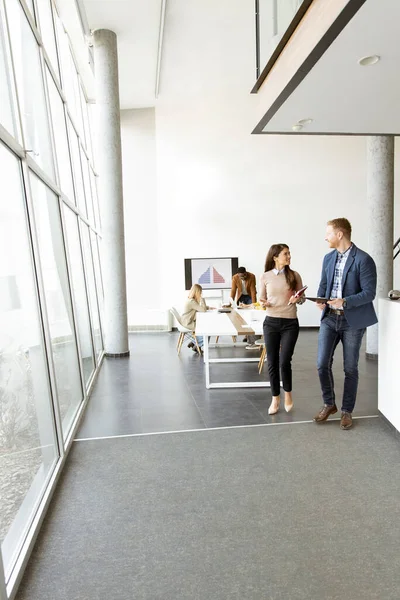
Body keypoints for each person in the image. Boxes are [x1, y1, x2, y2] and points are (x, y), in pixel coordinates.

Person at [314, 218, 377, 430]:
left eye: (328, 233)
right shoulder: (328, 258)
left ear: (339, 234)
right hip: (330, 318)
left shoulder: (364, 259)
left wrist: (346, 301)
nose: (325, 237)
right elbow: (324, 285)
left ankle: (346, 411)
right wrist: (321, 300)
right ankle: (329, 404)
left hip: (353, 321)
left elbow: (369, 293)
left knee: (350, 368)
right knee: (322, 364)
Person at [260, 244, 305, 415]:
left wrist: (297, 299)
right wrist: (264, 303)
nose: (289, 256)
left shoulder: (294, 275)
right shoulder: (265, 276)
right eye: (286, 254)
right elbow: (262, 298)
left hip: (290, 323)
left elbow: (302, 299)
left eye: (289, 253)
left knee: (285, 361)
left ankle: (288, 394)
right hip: (271, 322)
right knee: (272, 362)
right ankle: (275, 398)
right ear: (275, 257)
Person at [230, 267, 259, 348]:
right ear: (238, 275)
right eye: (240, 276)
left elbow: (253, 290)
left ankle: (250, 335)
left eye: (243, 276)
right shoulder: (235, 277)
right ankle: (246, 335)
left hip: (249, 296)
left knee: (250, 315)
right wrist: (231, 301)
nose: (242, 278)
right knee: (242, 316)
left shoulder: (251, 276)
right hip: (241, 296)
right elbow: (233, 290)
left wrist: (253, 304)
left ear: (245, 273)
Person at [181, 284, 212, 353]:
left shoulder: (191, 300)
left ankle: (194, 342)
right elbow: (203, 310)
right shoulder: (192, 302)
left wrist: (208, 307)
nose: (201, 294)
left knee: (205, 326)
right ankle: (196, 345)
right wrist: (202, 299)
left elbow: (199, 308)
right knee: (208, 329)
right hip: (188, 323)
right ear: (197, 292)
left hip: (186, 321)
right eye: (200, 292)